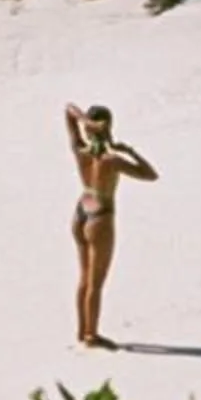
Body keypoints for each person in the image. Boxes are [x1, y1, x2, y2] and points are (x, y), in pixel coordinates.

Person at [65, 101, 156, 347]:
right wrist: (130, 151)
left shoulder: (80, 150)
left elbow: (68, 110)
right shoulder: (111, 160)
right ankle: (92, 335)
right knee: (96, 281)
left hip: (81, 210)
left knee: (84, 277)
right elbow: (150, 174)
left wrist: (84, 121)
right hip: (101, 216)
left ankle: (82, 330)